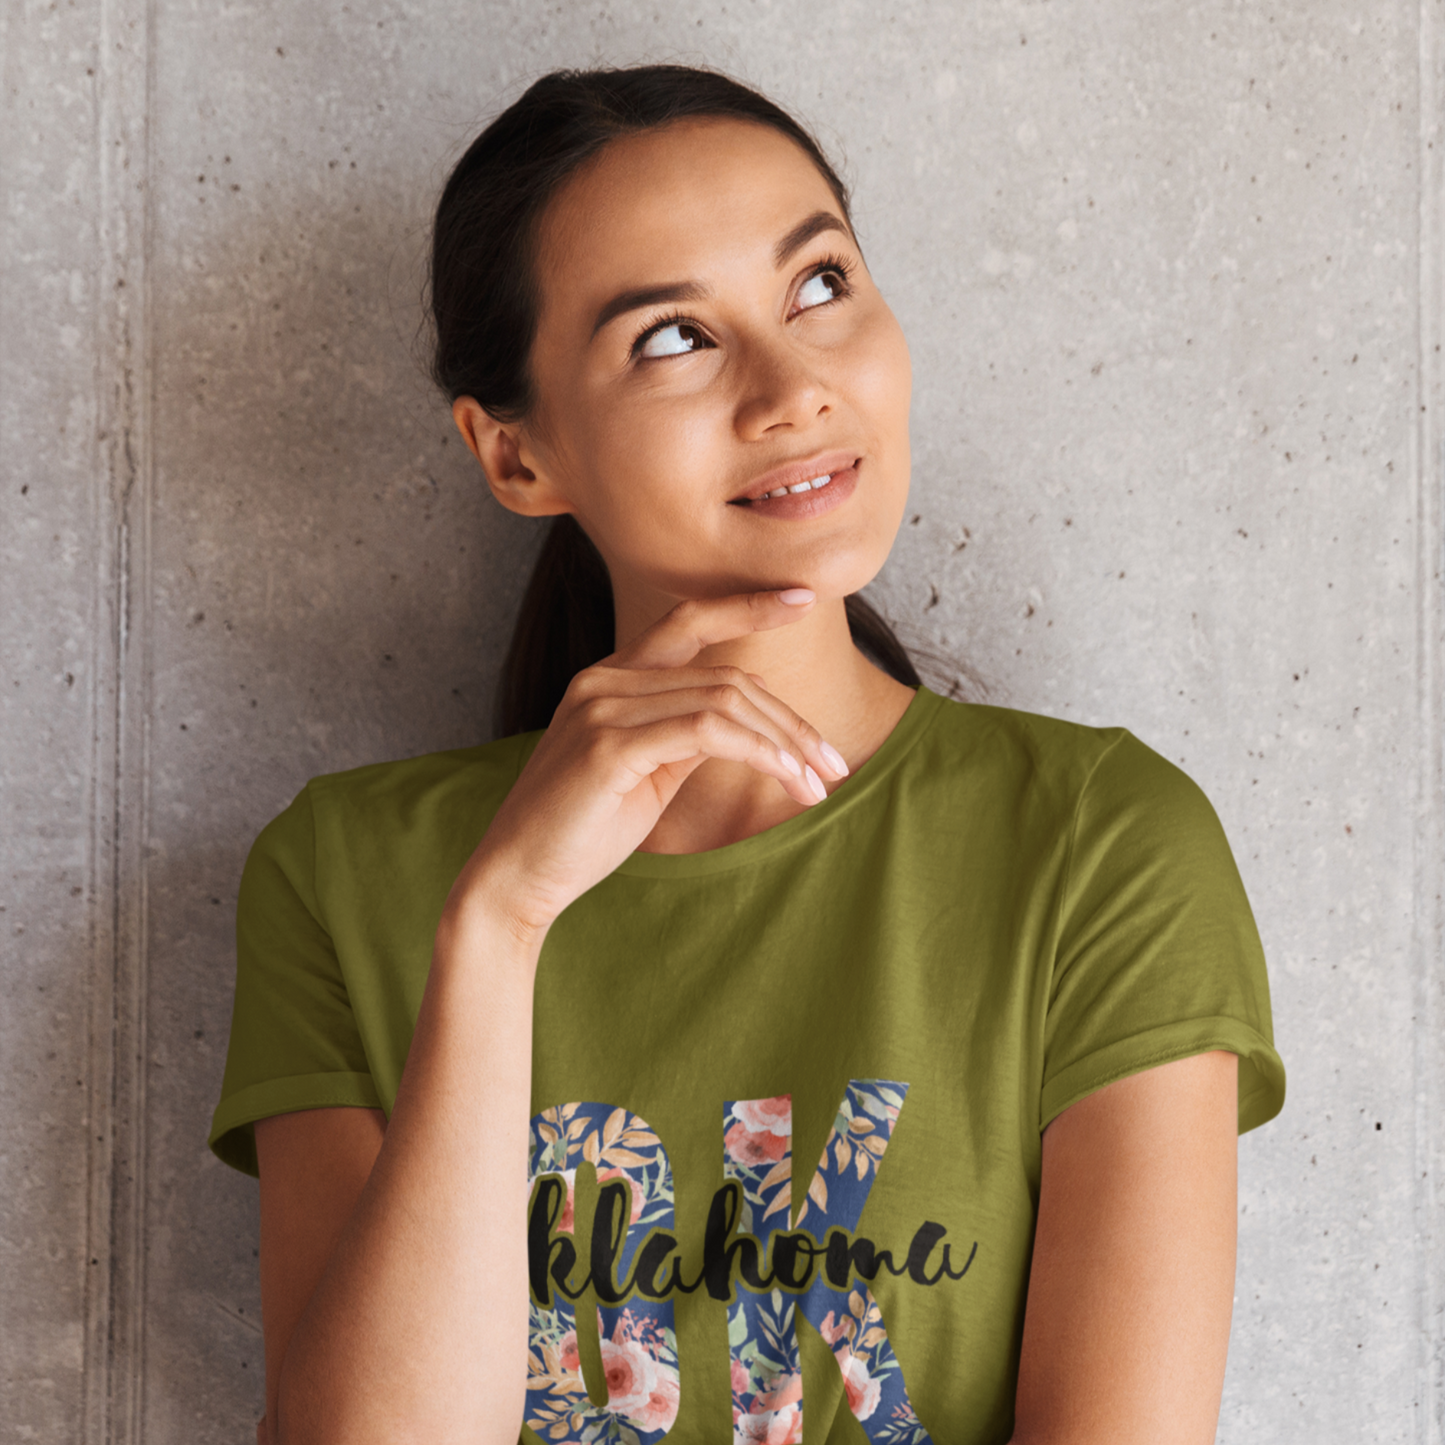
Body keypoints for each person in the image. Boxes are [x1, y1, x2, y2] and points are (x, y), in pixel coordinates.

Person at [209, 65, 1285, 1445]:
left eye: (820, 283)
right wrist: (501, 923)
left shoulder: (1099, 843)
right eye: (673, 338)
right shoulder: (346, 874)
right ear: (516, 455)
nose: (794, 390)